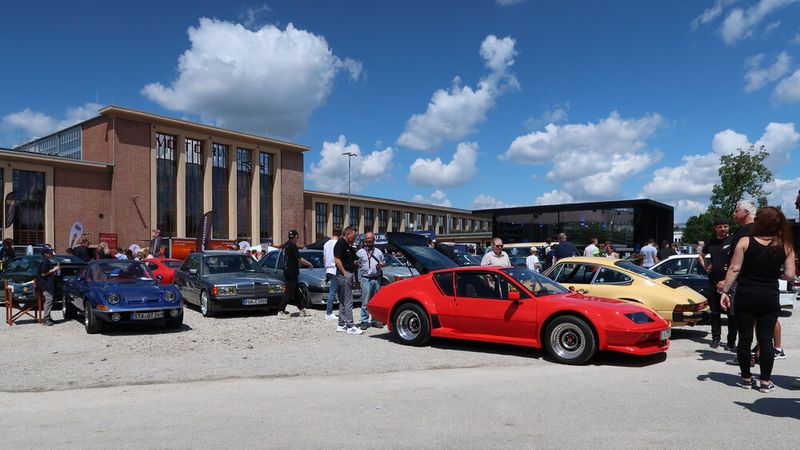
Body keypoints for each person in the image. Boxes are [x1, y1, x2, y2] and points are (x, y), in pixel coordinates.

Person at [721, 207, 795, 392]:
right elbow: (789, 275)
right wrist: (773, 272)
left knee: (745, 338)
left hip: (746, 294)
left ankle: (746, 378)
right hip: (769, 295)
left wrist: (725, 292)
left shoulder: (745, 241)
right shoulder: (785, 245)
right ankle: (764, 381)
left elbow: (734, 269)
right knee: (765, 339)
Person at [698, 218, 731, 349]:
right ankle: (715, 339)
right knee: (715, 313)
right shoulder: (710, 242)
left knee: (731, 314)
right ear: (715, 228)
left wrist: (731, 267)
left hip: (729, 282)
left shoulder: (733, 240)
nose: (723, 229)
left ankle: (731, 341)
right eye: (720, 227)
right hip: (713, 282)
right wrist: (706, 267)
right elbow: (701, 256)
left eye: (726, 226)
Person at [278, 230, 313, 319]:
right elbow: (299, 258)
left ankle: (301, 309)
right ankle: (281, 311)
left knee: (296, 291)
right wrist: (309, 264)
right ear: (296, 237)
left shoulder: (286, 245)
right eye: (297, 237)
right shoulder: (292, 245)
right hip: (291, 271)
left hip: (286, 271)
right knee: (289, 291)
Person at [334, 226, 362, 335]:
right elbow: (337, 258)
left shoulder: (348, 246)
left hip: (347, 274)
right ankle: (350, 326)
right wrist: (344, 272)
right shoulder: (340, 244)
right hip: (344, 275)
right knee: (348, 300)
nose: (354, 238)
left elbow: (354, 259)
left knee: (343, 300)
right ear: (348, 234)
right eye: (353, 236)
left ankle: (341, 324)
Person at [356, 232, 386, 330]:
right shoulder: (360, 252)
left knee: (376, 301)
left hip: (376, 279)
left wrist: (381, 264)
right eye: (367, 238)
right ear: (365, 240)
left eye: (371, 239)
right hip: (365, 279)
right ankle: (364, 321)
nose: (369, 240)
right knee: (365, 301)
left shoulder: (378, 252)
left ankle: (375, 320)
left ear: (374, 240)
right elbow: (355, 264)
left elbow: (384, 262)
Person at [36, 247, 61, 326]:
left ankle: (48, 317)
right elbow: (43, 274)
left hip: (48, 284)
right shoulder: (44, 262)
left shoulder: (47, 261)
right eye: (49, 252)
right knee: (48, 300)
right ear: (45, 254)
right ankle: (46, 319)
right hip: (45, 285)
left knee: (49, 300)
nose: (51, 254)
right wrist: (54, 269)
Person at [323, 226, 342, 321]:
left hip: (328, 269)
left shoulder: (326, 244)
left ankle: (338, 311)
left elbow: (324, 258)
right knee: (333, 291)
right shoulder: (339, 243)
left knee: (335, 291)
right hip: (335, 269)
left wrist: (325, 269)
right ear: (341, 233)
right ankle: (329, 312)